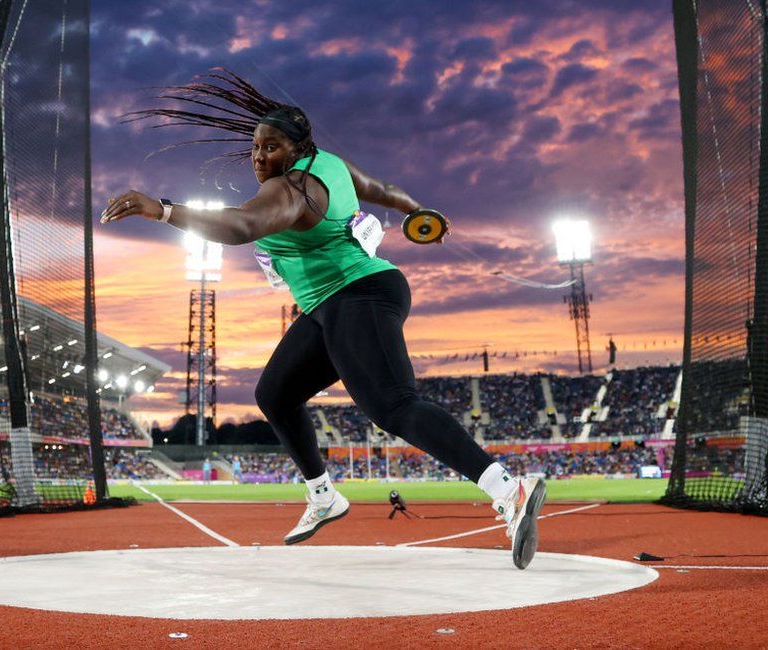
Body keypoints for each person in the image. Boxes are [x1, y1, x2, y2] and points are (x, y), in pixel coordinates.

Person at [101, 70, 546, 569]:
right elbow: (378, 187)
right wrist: (417, 210)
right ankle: (323, 495)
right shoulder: (331, 165)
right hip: (330, 305)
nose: (258, 157)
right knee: (274, 393)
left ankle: (508, 488)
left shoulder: (291, 190)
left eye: (270, 148)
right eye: (255, 148)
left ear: (294, 151)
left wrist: (162, 210)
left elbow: (241, 226)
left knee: (394, 406)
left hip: (360, 293)